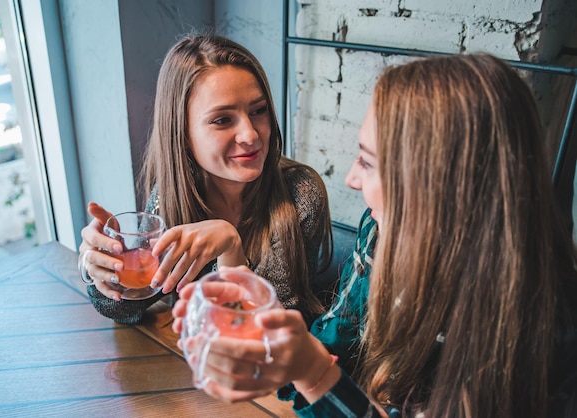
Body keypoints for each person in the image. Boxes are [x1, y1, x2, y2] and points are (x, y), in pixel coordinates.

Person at [172, 53, 577, 417]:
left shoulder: (539, 329)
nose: (349, 179)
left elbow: (327, 372)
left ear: (439, 182)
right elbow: (332, 346)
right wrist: (266, 332)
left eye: (368, 162)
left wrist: (311, 373)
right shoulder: (379, 234)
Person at [78, 33, 332, 326]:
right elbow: (128, 306)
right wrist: (103, 265)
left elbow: (270, 330)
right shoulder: (173, 194)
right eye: (222, 120)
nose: (250, 135)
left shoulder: (299, 192)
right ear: (182, 134)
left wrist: (230, 247)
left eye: (258, 111)